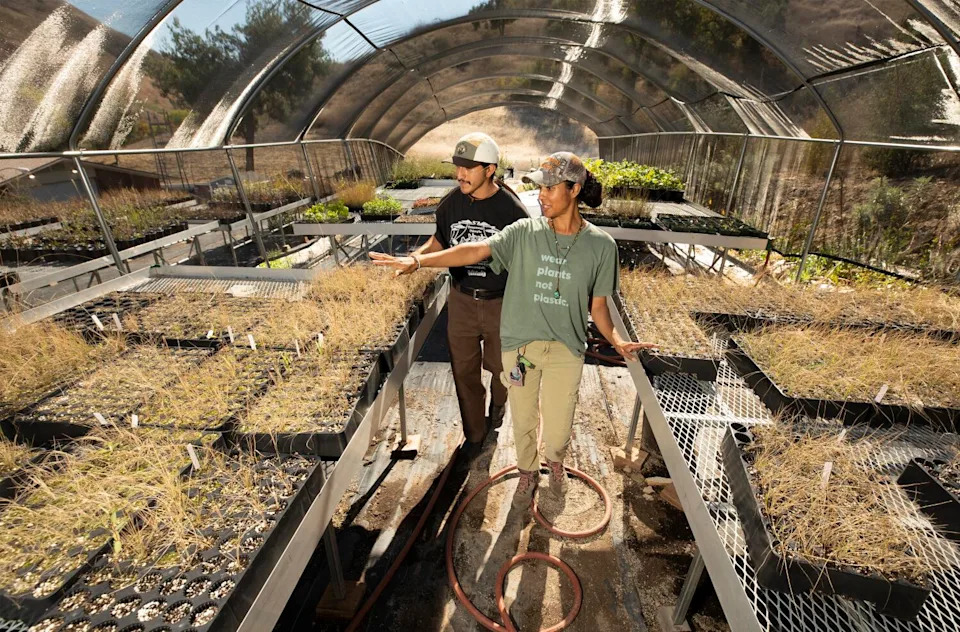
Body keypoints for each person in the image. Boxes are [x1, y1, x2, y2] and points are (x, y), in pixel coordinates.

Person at [371, 152, 655, 507]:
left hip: (566, 349)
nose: (542, 195)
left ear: (574, 189)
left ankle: (555, 461)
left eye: (550, 188)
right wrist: (418, 260)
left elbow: (598, 307)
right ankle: (527, 472)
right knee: (522, 419)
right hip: (520, 347)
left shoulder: (601, 247)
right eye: (539, 187)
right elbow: (473, 251)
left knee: (558, 425)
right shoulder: (523, 233)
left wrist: (616, 339)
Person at [403, 133, 528, 455]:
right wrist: (416, 258)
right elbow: (440, 242)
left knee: (502, 369)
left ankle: (499, 407)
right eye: (458, 166)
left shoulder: (512, 211)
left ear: (490, 169)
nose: (460, 174)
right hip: (460, 300)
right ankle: (474, 436)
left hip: (502, 303)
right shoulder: (450, 203)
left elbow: (526, 262)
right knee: (464, 372)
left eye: (469, 168)